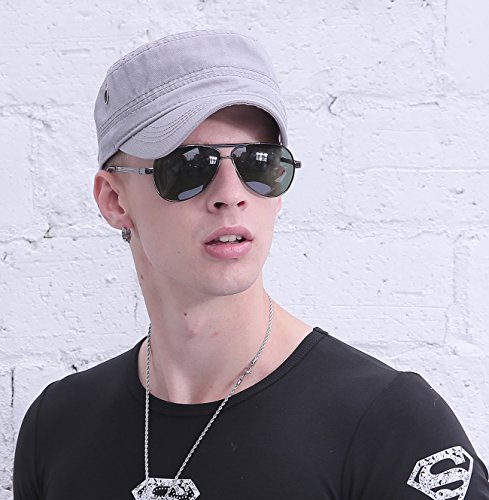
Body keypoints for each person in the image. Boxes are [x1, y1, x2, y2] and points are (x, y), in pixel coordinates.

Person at [13, 29, 489, 500]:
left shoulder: (390, 426)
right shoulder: (57, 429)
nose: (231, 195)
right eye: (189, 165)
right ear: (114, 200)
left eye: (259, 164)